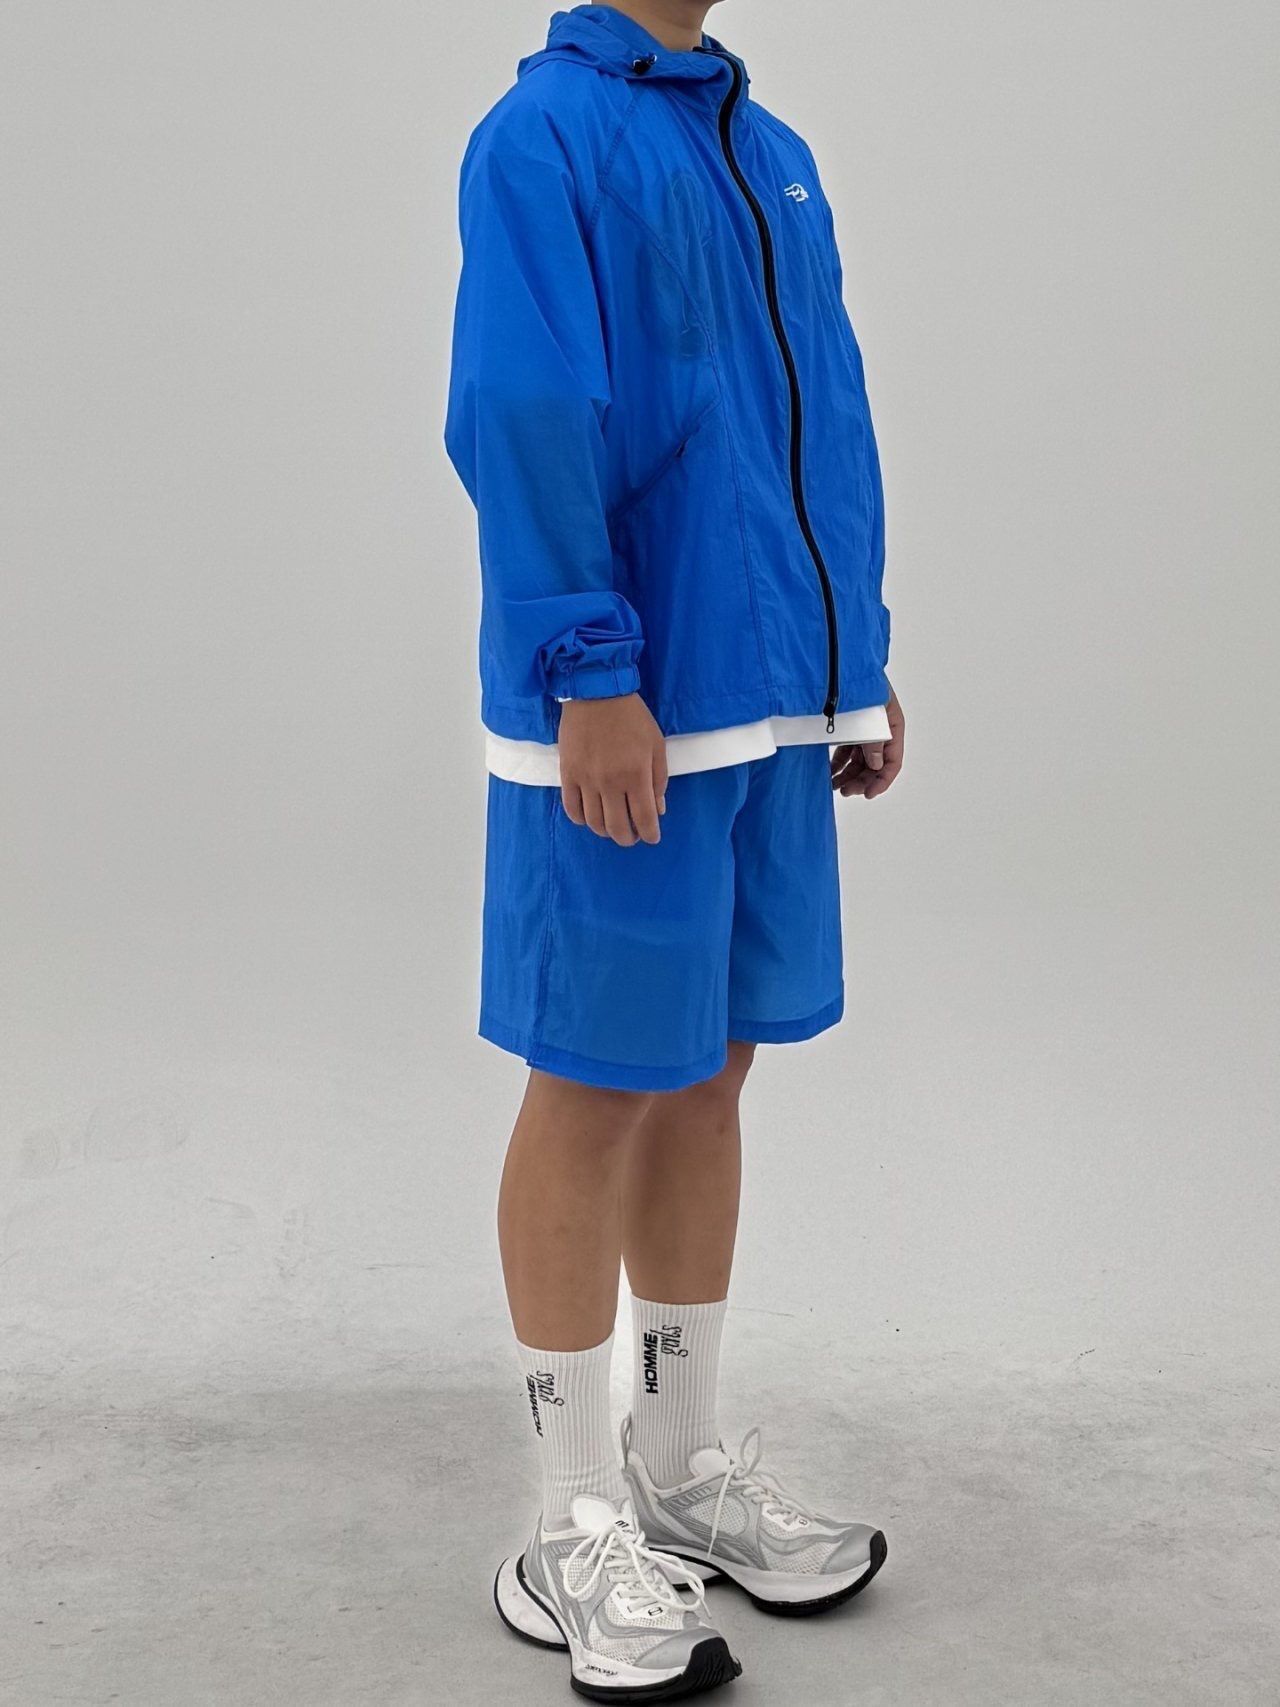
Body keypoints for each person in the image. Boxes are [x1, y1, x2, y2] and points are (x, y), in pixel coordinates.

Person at [445, 2, 905, 1696]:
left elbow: (820, 414)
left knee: (710, 1071)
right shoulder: (543, 136)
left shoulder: (767, 151)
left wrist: (851, 660)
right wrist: (590, 670)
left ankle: (681, 1468)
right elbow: (520, 407)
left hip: (766, 691)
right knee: (595, 1080)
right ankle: (564, 1524)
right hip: (625, 699)